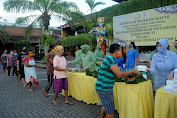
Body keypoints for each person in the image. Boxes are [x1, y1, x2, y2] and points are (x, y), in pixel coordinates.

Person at [95, 44, 140, 118]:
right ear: (117, 51)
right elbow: (119, 74)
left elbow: (116, 72)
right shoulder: (110, 59)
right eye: (121, 51)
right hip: (104, 88)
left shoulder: (110, 58)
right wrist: (132, 72)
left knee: (106, 106)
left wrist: (127, 76)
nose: (121, 52)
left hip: (101, 87)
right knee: (110, 111)